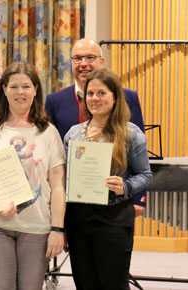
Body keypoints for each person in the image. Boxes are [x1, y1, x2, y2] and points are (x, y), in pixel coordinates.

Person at [0, 62, 66, 290]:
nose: (20, 92)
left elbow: (59, 186)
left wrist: (57, 229)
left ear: (35, 90)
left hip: (37, 228)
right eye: (13, 87)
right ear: (4, 90)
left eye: (25, 86)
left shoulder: (49, 132)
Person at [64, 68, 152, 290]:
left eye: (102, 93)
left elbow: (145, 174)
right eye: (90, 93)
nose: (95, 98)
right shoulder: (73, 134)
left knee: (113, 284)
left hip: (113, 220)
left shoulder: (131, 134)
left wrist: (126, 186)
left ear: (115, 97)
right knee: (84, 283)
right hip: (78, 220)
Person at [45, 38, 147, 216]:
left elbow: (138, 156)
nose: (83, 64)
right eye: (77, 58)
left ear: (101, 61)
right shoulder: (54, 100)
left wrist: (137, 196)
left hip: (115, 204)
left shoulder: (128, 97)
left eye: (90, 57)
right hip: (73, 203)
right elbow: (53, 151)